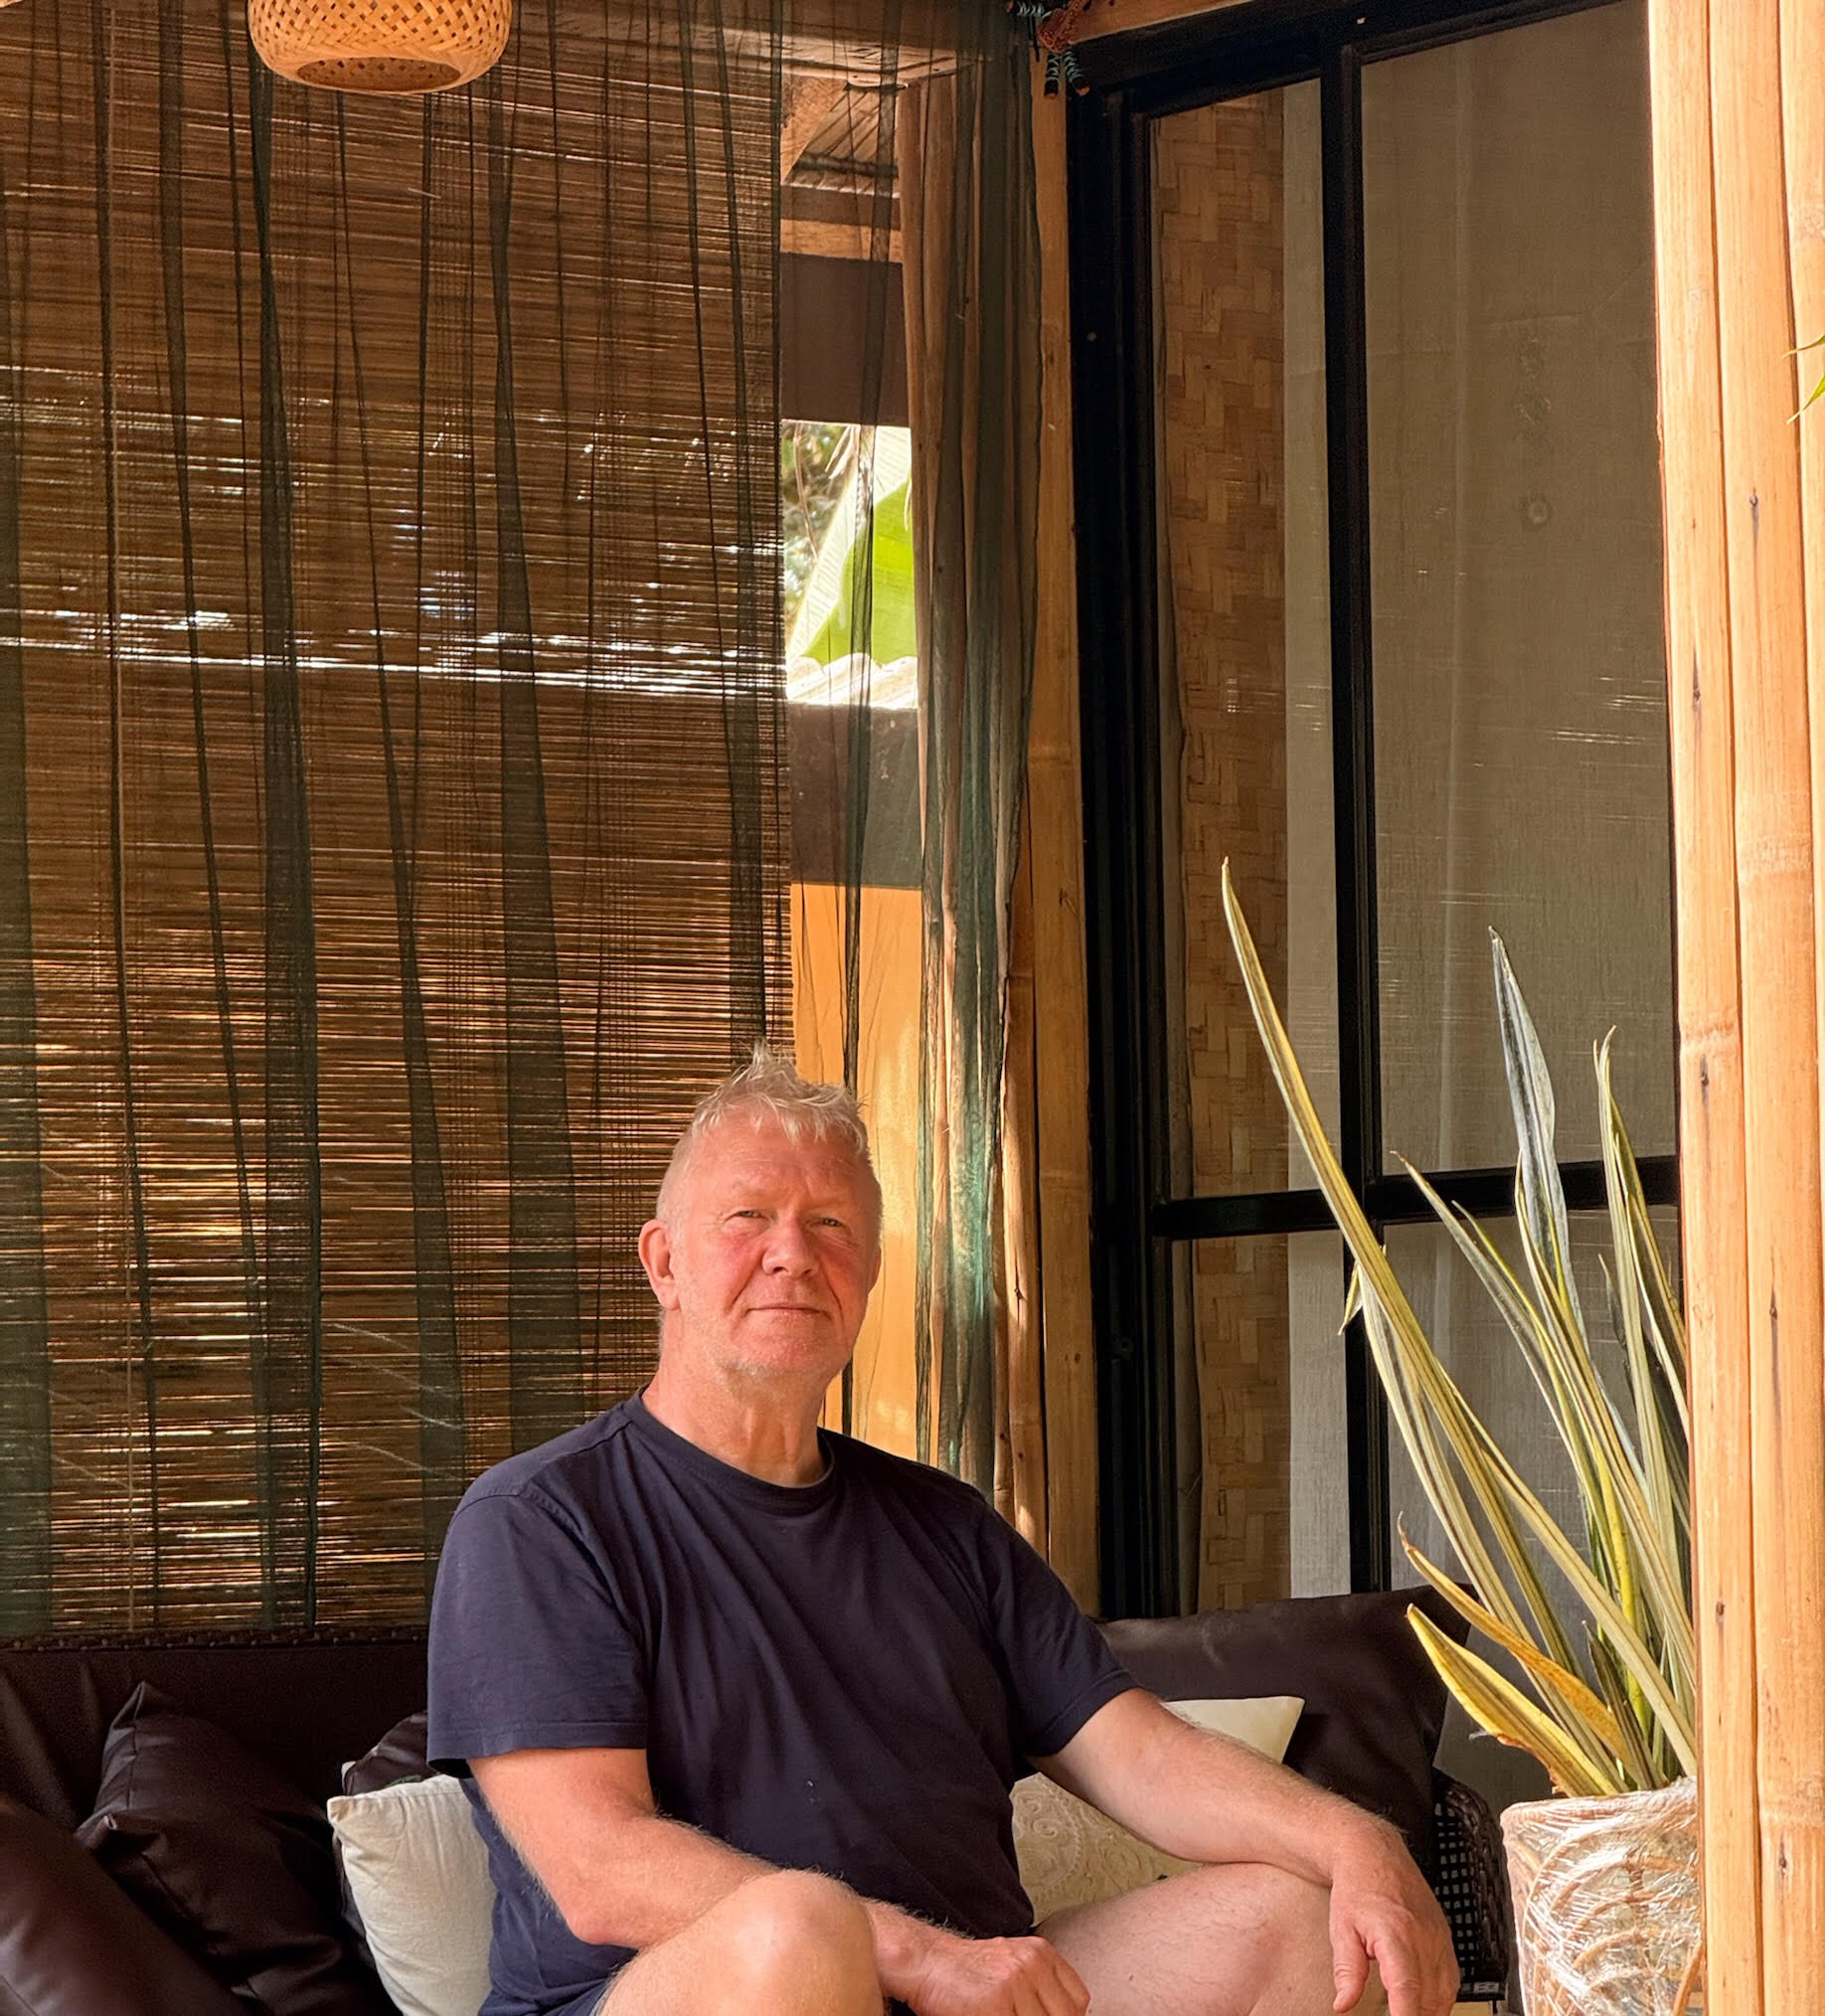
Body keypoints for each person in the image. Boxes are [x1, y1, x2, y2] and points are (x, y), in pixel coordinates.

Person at [427, 1051, 1459, 2016]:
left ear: (870, 1269)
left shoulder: (945, 1525)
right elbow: (599, 1868)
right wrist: (924, 1957)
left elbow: (1139, 1756)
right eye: (748, 1216)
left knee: (1304, 1922)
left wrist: (1356, 1840)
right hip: (688, 1995)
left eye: (831, 1224)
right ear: (663, 1263)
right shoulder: (541, 1521)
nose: (793, 1254)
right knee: (796, 1927)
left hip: (959, 1990)